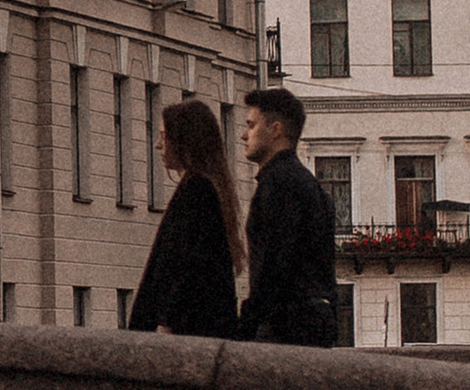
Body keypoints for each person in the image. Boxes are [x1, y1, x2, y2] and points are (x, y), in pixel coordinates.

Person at [128, 98, 246, 337]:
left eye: (164, 136)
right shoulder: (206, 188)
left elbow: (184, 265)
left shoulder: (197, 190)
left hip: (183, 334)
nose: (159, 145)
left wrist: (167, 321)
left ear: (184, 141)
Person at [239, 86, 342, 345]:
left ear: (276, 130)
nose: (243, 135)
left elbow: (274, 263)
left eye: (251, 126)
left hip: (285, 325)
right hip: (312, 318)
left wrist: (248, 324)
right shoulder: (306, 182)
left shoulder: (278, 184)